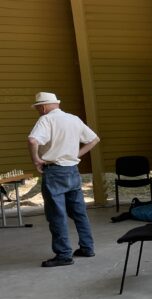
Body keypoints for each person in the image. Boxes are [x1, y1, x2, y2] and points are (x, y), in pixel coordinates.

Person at [27, 92, 100, 267]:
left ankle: (64, 254)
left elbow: (32, 140)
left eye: (38, 108)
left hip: (54, 172)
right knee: (79, 212)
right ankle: (87, 247)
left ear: (43, 106)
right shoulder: (74, 119)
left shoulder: (46, 120)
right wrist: (76, 155)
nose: (38, 111)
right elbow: (94, 139)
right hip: (72, 170)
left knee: (56, 214)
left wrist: (36, 159)